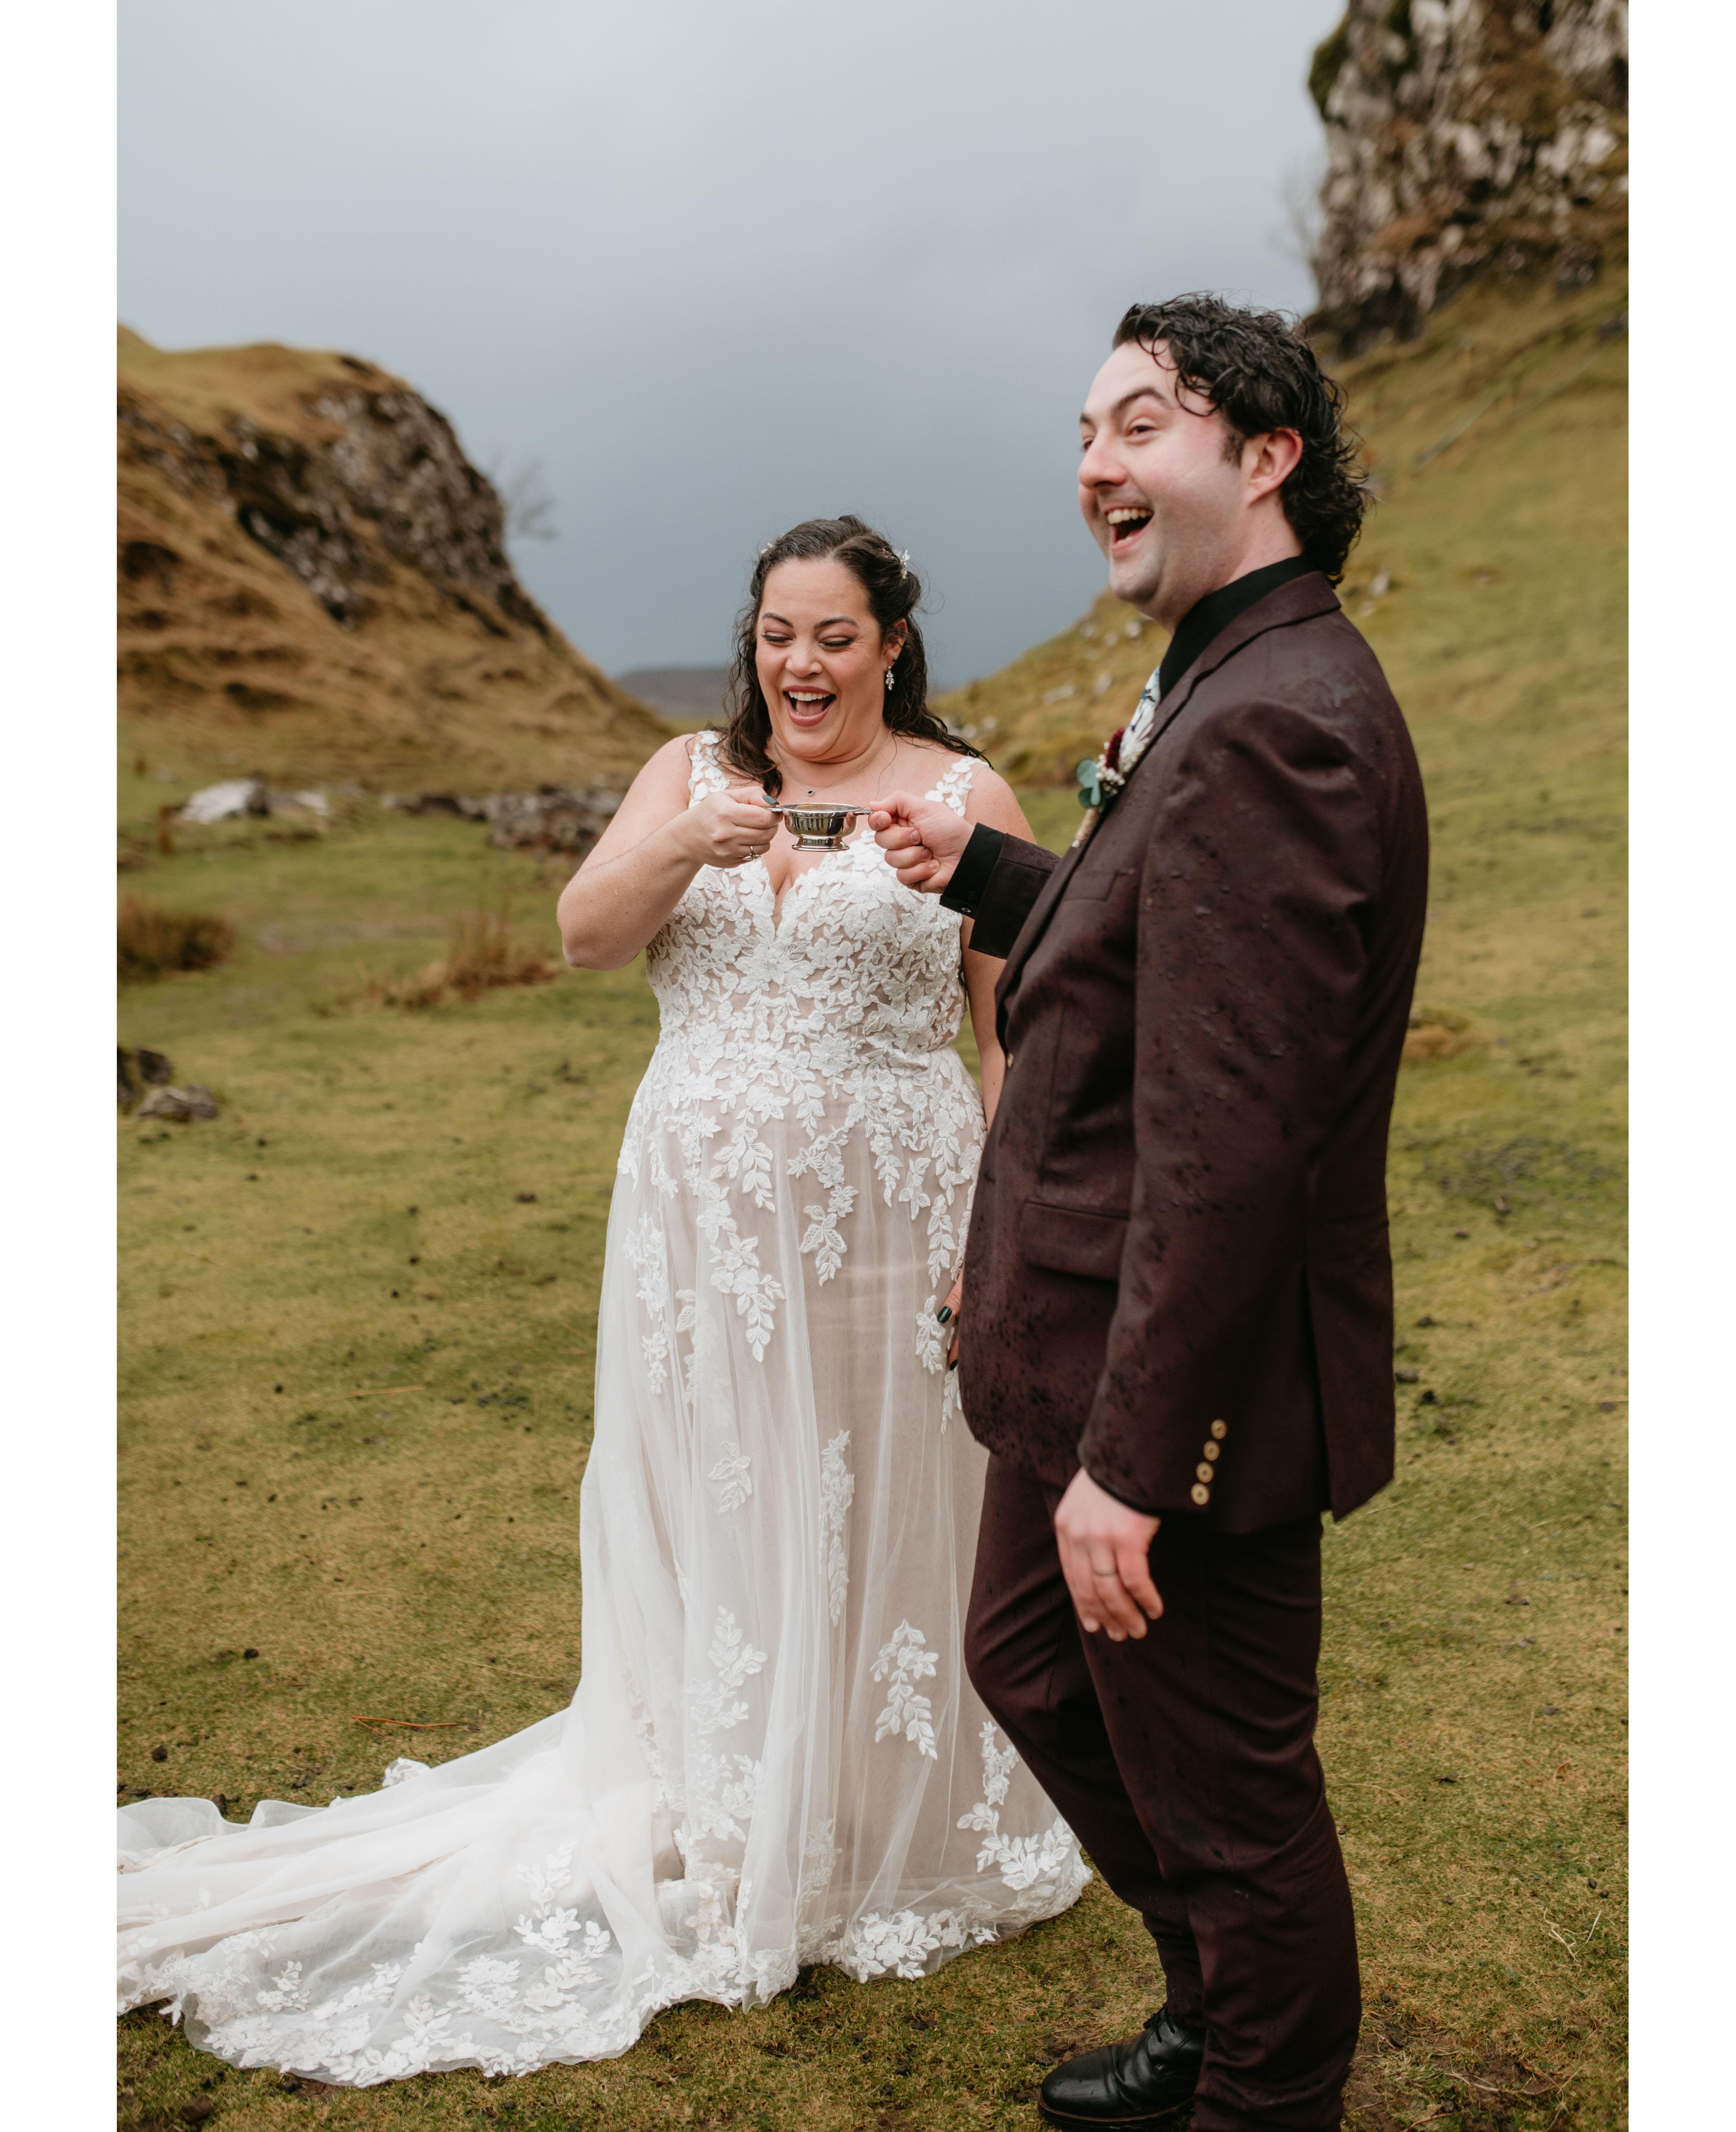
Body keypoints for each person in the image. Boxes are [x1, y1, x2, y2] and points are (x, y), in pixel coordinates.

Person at [117, 516, 1083, 2087]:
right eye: (780, 632)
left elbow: (1013, 1030)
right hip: (695, 1232)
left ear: (893, 644)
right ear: (753, 637)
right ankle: (724, 1799)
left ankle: (876, 1816)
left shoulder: (963, 798)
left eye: (836, 636)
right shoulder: (689, 772)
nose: (803, 663)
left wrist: (1003, 1210)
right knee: (726, 1497)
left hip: (887, 1224)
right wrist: (678, 847)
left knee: (871, 1497)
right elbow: (580, 934)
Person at [868, 297, 1428, 2132]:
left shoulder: (1283, 721)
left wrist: (1136, 1458)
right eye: (1086, 430)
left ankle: (1267, 2083)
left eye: (1145, 424)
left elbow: (1234, 1138)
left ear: (1266, 461)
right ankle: (1209, 1999)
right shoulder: (1217, 674)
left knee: (1231, 1794)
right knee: (1026, 1666)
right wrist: (1016, 874)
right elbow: (1160, 948)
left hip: (1183, 1393)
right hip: (1082, 1345)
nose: (1097, 463)